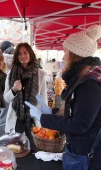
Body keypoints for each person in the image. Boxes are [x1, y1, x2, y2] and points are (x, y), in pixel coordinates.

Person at [25, 25, 101, 169]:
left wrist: (42, 118)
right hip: (82, 149)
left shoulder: (89, 84)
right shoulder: (84, 78)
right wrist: (51, 113)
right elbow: (76, 113)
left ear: (74, 55)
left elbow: (79, 125)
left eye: (65, 51)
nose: (63, 56)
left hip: (89, 156)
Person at [3, 42, 48, 146]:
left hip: (33, 118)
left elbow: (43, 100)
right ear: (16, 56)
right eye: (19, 54)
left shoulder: (40, 74)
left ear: (30, 54)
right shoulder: (11, 74)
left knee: (34, 147)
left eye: (25, 52)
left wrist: (44, 119)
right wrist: (14, 90)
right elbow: (6, 98)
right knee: (16, 147)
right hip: (16, 117)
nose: (23, 56)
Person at [0, 41, 14, 138]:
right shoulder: (16, 61)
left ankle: (0, 139)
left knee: (2, 118)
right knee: (11, 117)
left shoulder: (0, 60)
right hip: (13, 91)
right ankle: (10, 138)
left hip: (2, 91)